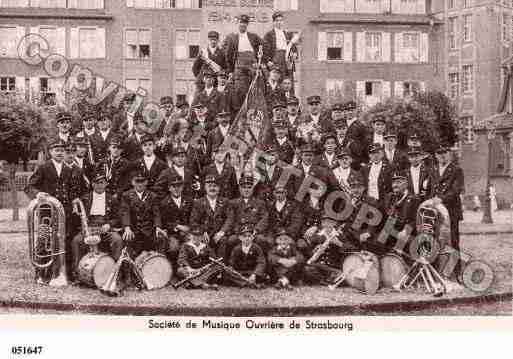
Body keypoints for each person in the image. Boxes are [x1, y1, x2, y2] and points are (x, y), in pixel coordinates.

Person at [27, 139, 76, 283]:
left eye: (62, 150)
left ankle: (60, 273)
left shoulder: (69, 169)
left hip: (64, 212)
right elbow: (30, 186)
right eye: (57, 150)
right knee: (44, 240)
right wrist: (37, 194)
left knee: (63, 241)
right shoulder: (43, 167)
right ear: (50, 152)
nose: (60, 153)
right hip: (47, 211)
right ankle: (41, 273)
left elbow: (71, 190)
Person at [70, 172, 123, 282]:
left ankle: (113, 272)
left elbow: (118, 217)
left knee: (117, 240)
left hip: (105, 226)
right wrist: (84, 226)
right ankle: (77, 274)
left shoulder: (112, 199)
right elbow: (79, 217)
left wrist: (109, 225)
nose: (99, 185)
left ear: (106, 184)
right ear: (92, 184)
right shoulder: (84, 198)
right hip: (89, 227)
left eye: (102, 182)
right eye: (96, 183)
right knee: (76, 241)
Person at [433, 144, 464, 277]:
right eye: (439, 153)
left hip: (450, 210)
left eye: (445, 152)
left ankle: (455, 272)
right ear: (436, 155)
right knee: (437, 239)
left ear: (449, 154)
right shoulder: (433, 170)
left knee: (453, 240)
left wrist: (442, 199)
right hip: (436, 211)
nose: (442, 155)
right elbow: (430, 189)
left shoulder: (456, 170)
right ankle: (440, 270)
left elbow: (456, 190)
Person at [223, 14, 263, 113]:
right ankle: (241, 112)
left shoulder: (253, 36)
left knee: (255, 87)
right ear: (238, 23)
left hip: (252, 65)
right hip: (239, 66)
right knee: (240, 90)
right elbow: (228, 55)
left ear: (247, 25)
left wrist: (260, 57)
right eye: (241, 23)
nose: (243, 25)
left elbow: (263, 45)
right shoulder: (232, 38)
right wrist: (231, 70)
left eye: (245, 23)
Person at [119, 171, 165, 258]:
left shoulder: (152, 196)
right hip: (133, 230)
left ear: (146, 182)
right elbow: (125, 212)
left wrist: (158, 227)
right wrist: (127, 227)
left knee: (160, 239)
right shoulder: (126, 195)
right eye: (137, 181)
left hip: (148, 230)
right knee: (127, 241)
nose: (140, 184)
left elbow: (156, 213)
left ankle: (160, 264)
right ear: (133, 182)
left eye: (142, 181)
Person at [189, 174, 234, 260]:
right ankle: (209, 268)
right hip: (205, 234)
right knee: (200, 242)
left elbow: (230, 218)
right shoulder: (198, 203)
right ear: (205, 187)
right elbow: (193, 221)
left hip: (219, 234)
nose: (212, 188)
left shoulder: (225, 201)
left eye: (215, 186)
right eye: (209, 186)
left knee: (224, 240)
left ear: (219, 188)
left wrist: (222, 232)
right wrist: (202, 232)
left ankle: (220, 267)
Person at [159, 173, 194, 266]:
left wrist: (189, 228)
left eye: (179, 186)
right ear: (169, 188)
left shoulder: (189, 201)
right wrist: (177, 226)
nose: (176, 189)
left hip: (188, 231)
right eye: (173, 186)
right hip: (172, 233)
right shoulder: (164, 203)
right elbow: (164, 221)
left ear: (182, 187)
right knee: (173, 247)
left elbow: (193, 217)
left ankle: (190, 268)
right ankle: (174, 270)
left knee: (193, 245)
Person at [380, 171, 418, 256]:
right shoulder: (390, 197)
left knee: (400, 253)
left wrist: (405, 231)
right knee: (378, 246)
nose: (395, 185)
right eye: (393, 182)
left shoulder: (413, 199)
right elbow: (387, 215)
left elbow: (414, 220)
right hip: (391, 230)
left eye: (398, 182)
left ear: (406, 184)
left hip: (407, 232)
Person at [302, 214, 348, 286]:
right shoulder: (316, 236)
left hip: (332, 267)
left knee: (342, 275)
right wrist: (315, 250)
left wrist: (340, 244)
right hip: (319, 266)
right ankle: (326, 280)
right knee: (307, 269)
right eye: (325, 222)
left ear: (334, 223)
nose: (327, 224)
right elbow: (309, 252)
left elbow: (351, 249)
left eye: (330, 222)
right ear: (322, 223)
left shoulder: (340, 236)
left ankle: (326, 280)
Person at [263, 11, 298, 80]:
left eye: (281, 20)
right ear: (273, 22)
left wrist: (295, 54)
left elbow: (294, 48)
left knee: (287, 81)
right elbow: (264, 50)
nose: (279, 22)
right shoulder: (269, 35)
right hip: (275, 60)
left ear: (283, 22)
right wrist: (268, 61)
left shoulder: (288, 34)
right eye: (277, 21)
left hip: (287, 62)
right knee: (276, 82)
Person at [362, 143, 393, 210]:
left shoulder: (389, 168)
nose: (376, 156)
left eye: (378, 153)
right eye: (373, 153)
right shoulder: (365, 169)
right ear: (369, 155)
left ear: (382, 154)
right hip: (368, 201)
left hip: (382, 202)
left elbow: (391, 187)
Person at [342, 100, 369, 165]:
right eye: (348, 110)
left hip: (355, 160)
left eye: (352, 110)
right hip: (341, 158)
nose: (350, 112)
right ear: (345, 112)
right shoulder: (341, 124)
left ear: (356, 111)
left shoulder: (361, 126)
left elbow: (365, 145)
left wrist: (364, 161)